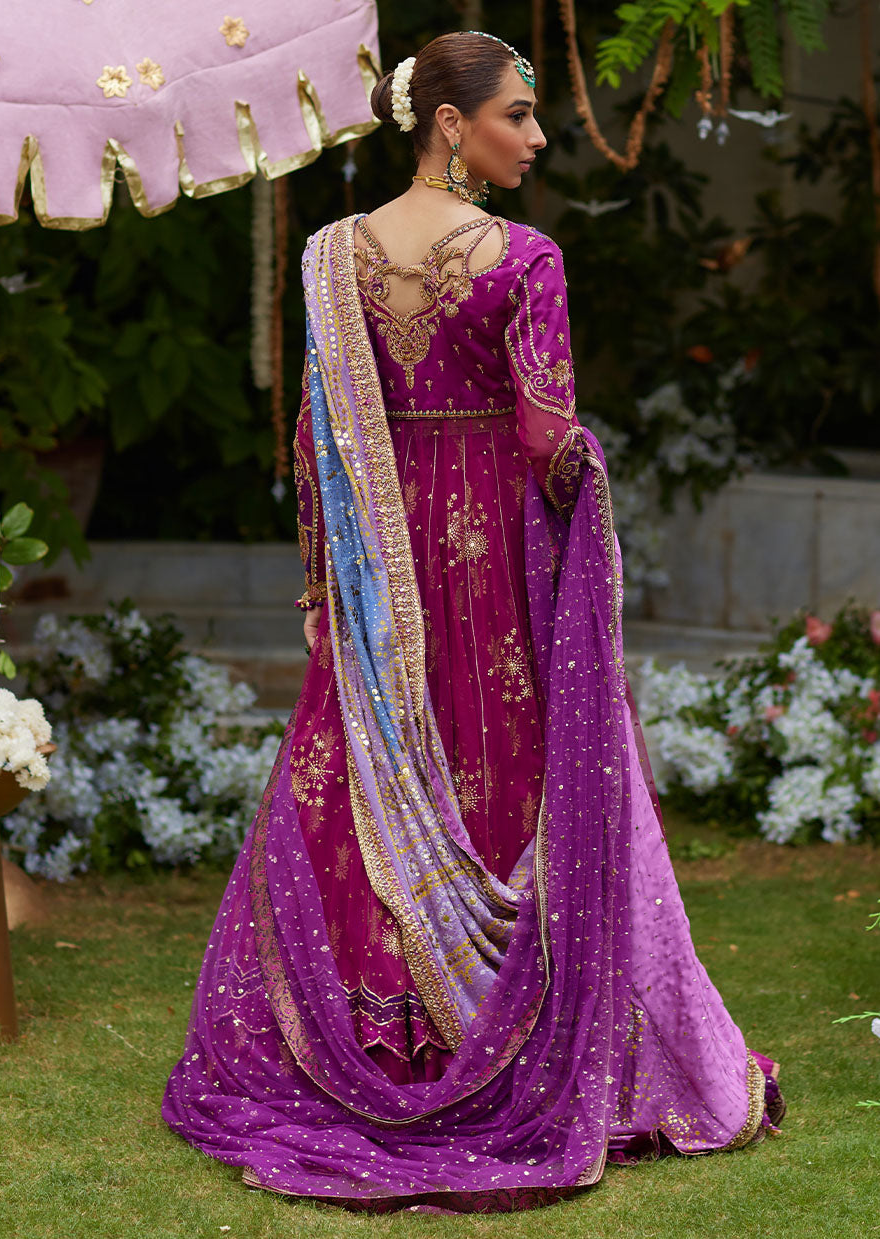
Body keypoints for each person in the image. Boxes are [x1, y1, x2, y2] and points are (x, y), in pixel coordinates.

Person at [162, 30, 783, 1213]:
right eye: (517, 115)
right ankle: (504, 1032)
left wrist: (322, 588)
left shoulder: (334, 257)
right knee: (503, 765)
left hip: (375, 575)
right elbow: (549, 439)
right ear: (450, 122)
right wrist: (582, 488)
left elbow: (315, 441)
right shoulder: (527, 259)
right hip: (493, 557)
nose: (537, 138)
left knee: (362, 775)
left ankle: (372, 1037)